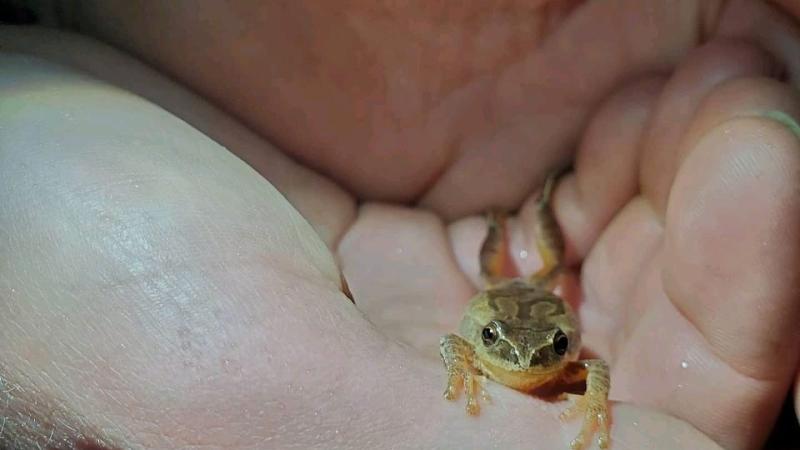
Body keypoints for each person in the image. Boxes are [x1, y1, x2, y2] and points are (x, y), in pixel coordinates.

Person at [1, 1, 798, 448]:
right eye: (501, 355)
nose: (525, 367)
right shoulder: (486, 341)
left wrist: (591, 400)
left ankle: (543, 198)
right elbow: (460, 341)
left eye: (544, 356)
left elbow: (586, 369)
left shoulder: (560, 359)